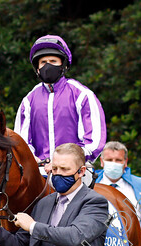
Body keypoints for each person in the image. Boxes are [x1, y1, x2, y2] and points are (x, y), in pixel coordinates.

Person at [14, 35, 106, 179]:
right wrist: (32, 158)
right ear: (37, 68)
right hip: (39, 173)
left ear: (63, 65)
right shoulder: (28, 101)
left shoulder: (82, 95)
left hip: (76, 173)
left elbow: (94, 141)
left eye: (53, 61)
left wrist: (63, 162)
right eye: (43, 62)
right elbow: (21, 141)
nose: (47, 65)